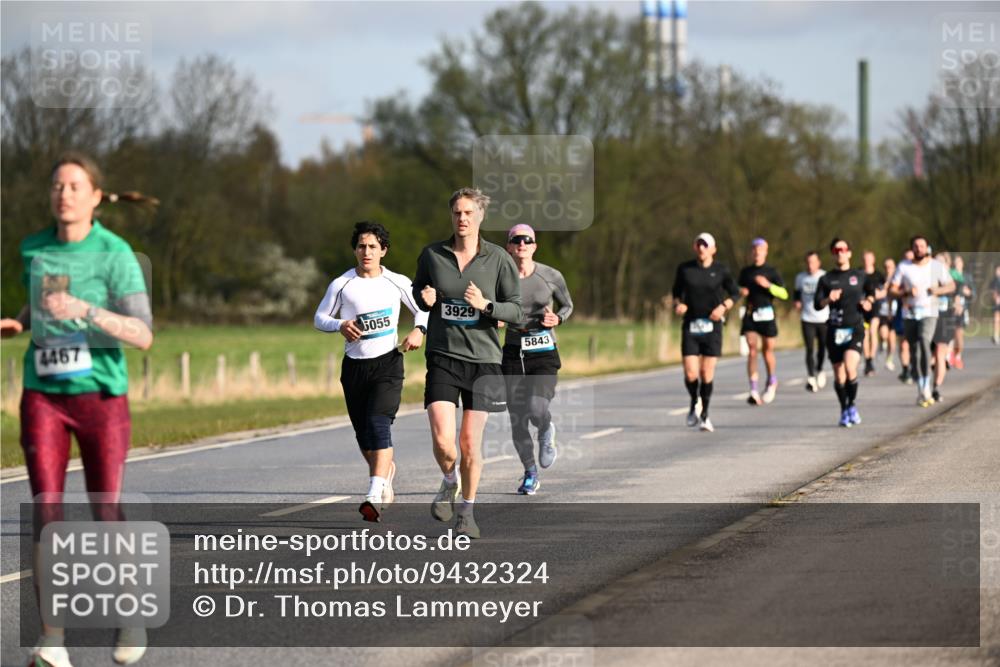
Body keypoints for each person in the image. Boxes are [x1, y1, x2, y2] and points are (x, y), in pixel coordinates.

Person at [0, 153, 155, 667]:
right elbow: (43, 302)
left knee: (105, 510)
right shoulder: (35, 248)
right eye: (56, 186)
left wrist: (87, 310)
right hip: (43, 393)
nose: (63, 194)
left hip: (101, 398)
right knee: (46, 511)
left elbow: (143, 334)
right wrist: (21, 322)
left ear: (95, 196)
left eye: (73, 186)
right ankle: (52, 641)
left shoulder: (116, 253)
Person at [412, 188, 523, 539]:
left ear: (480, 216)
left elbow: (517, 310)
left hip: (484, 362)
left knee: (469, 445)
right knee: (444, 441)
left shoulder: (498, 259)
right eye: (457, 212)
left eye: (469, 212)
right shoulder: (433, 255)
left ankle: (467, 513)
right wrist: (424, 297)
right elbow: (419, 291)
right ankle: (449, 480)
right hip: (443, 356)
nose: (462, 218)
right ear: (451, 216)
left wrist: (486, 306)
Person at [314, 221, 427, 523]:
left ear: (383, 250)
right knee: (364, 435)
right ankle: (385, 472)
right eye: (362, 246)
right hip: (355, 368)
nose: (367, 252)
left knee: (379, 424)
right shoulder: (342, 284)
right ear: (355, 250)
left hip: (388, 364)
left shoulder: (396, 281)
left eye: (373, 246)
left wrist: (419, 330)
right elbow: (319, 317)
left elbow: (423, 308)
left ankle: (373, 494)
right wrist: (340, 324)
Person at [499, 224, 573, 495]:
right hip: (513, 352)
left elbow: (567, 305)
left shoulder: (550, 275)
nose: (522, 244)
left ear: (534, 246)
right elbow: (491, 307)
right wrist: (495, 316)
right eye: (516, 240)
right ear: (509, 246)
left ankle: (545, 427)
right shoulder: (500, 277)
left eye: (527, 240)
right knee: (518, 418)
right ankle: (530, 473)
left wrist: (558, 318)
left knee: (535, 407)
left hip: (543, 351)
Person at [670, 232, 740, 432]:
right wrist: (678, 305)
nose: (702, 248)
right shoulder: (685, 269)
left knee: (706, 372)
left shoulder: (721, 270)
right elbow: (676, 293)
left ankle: (705, 415)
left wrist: (723, 307)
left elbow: (735, 293)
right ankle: (694, 400)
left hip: (713, 326)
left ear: (713, 249)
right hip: (691, 325)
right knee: (691, 372)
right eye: (699, 244)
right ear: (695, 247)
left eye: (705, 245)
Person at [814, 238, 876, 427]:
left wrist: (868, 302)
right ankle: (844, 408)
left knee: (850, 368)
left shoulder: (860, 275)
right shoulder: (826, 279)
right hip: (834, 330)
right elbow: (817, 304)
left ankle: (852, 405)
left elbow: (871, 292)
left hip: (855, 327)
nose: (840, 252)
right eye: (836, 250)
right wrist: (828, 298)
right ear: (833, 254)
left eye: (843, 249)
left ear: (849, 252)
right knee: (839, 375)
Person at [889, 236, 954, 407]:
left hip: (929, 312)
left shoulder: (936, 266)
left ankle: (926, 384)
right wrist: (905, 292)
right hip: (910, 314)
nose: (919, 249)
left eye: (922, 246)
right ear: (912, 249)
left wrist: (937, 290)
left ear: (927, 248)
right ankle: (921, 385)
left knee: (924, 342)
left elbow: (951, 285)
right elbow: (892, 290)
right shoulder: (904, 266)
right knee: (914, 351)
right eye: (916, 246)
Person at [738, 238, 788, 404]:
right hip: (751, 314)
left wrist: (768, 285)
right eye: (754, 250)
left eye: (760, 250)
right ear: (751, 252)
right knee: (752, 350)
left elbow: (784, 294)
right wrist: (741, 291)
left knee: (767, 351)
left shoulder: (772, 272)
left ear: (765, 252)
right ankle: (753, 389)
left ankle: (772, 380)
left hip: (767, 315)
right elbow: (737, 289)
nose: (757, 253)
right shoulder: (745, 272)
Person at [794, 251, 829, 392]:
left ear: (818, 263)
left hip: (823, 318)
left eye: (813, 262)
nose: (810, 265)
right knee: (809, 348)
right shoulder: (800, 278)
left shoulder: (824, 276)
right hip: (807, 318)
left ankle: (819, 369)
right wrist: (797, 302)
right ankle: (811, 377)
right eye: (808, 262)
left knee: (822, 348)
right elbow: (796, 294)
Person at [860, 250, 887, 377]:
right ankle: (868, 360)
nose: (867, 261)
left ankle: (872, 357)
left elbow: (885, 291)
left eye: (869, 259)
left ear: (873, 260)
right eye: (865, 259)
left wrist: (877, 295)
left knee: (873, 331)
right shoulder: (859, 273)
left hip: (875, 308)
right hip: (862, 308)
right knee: (864, 334)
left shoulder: (878, 275)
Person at [949, 255, 973, 369]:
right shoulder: (949, 275)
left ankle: (958, 355)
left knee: (959, 334)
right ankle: (950, 355)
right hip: (950, 308)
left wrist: (968, 293)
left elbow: (973, 293)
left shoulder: (967, 277)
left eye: (959, 262)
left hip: (963, 309)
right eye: (955, 262)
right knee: (950, 334)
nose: (957, 264)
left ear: (962, 263)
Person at [878, 257, 898, 372]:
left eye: (890, 267)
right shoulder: (881, 280)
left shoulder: (898, 280)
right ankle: (882, 342)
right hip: (883, 311)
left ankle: (889, 359)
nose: (888, 269)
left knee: (892, 338)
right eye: (886, 267)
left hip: (895, 312)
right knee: (884, 333)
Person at [993, 265, 1000, 346]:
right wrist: (996, 298)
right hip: (997, 303)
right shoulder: (995, 281)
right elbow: (994, 292)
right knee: (997, 319)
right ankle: (996, 335)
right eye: (997, 270)